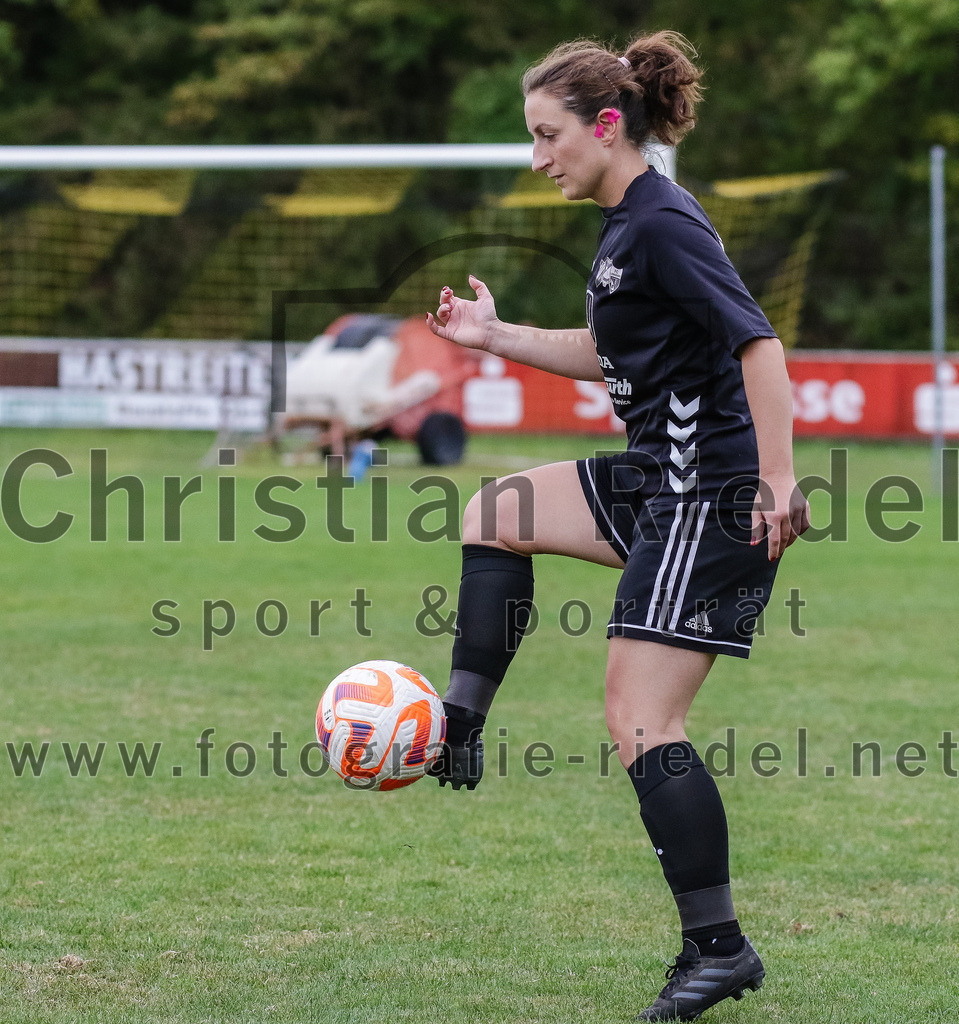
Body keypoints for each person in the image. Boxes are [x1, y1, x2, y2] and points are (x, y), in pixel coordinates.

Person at [425, 30, 810, 1022]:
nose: (536, 155)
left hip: (708, 495)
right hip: (658, 479)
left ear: (605, 126)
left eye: (547, 135)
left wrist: (775, 481)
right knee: (493, 511)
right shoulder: (622, 227)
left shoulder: (663, 224)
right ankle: (458, 725)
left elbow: (756, 346)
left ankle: (716, 949)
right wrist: (493, 336)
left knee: (641, 722)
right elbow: (607, 350)